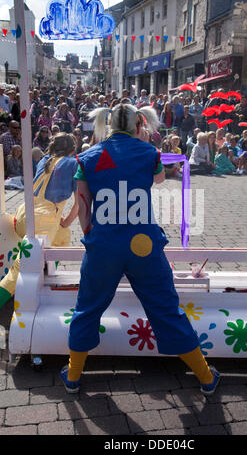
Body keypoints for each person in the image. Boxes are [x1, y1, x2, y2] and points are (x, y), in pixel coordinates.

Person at [60, 103, 220, 395]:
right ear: (139, 124)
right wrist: (145, 144)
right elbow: (159, 179)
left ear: (107, 124)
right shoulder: (150, 153)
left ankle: (73, 375)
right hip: (143, 245)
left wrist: (92, 238)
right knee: (165, 307)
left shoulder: (87, 157)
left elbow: (83, 206)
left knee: (87, 308)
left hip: (104, 245)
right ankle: (206, 377)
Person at [0, 133, 79, 307]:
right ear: (73, 149)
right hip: (42, 221)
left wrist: (63, 224)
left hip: (24, 213)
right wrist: (66, 220)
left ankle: (44, 275)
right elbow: (79, 203)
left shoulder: (45, 160)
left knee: (63, 235)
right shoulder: (73, 164)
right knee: (18, 271)